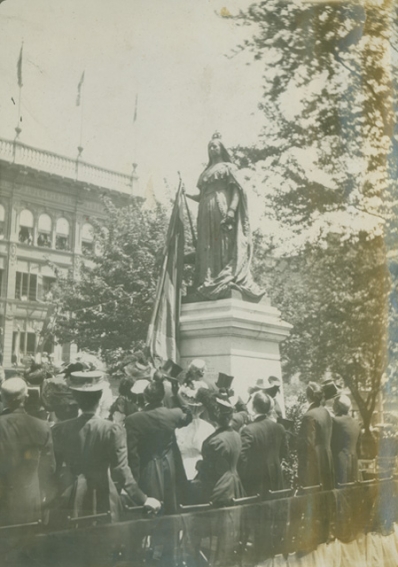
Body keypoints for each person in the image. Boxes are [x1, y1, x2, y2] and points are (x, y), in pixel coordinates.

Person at [52, 371, 160, 522]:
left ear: (75, 398)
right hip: (101, 496)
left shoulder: (59, 429)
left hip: (69, 496)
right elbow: (121, 471)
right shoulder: (112, 430)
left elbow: (54, 467)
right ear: (100, 396)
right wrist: (143, 499)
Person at [185, 132, 264, 301]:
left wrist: (231, 211)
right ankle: (208, 278)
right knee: (206, 243)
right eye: (210, 147)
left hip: (222, 204)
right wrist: (185, 194)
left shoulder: (229, 167)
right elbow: (201, 195)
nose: (212, 149)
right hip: (205, 209)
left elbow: (236, 190)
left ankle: (222, 277)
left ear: (222, 148)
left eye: (215, 146)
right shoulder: (206, 172)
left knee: (222, 241)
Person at [125, 379, 192, 514]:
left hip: (147, 467)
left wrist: (135, 483)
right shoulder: (173, 414)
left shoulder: (133, 420)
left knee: (150, 509)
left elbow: (133, 455)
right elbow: (188, 414)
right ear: (162, 396)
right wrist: (176, 393)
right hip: (170, 466)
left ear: (145, 397)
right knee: (170, 507)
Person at [0, 378, 55, 526]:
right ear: (27, 396)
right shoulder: (42, 427)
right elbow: (49, 468)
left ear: (2, 397)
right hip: (29, 500)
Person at [196, 397, 245, 506]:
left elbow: (211, 471)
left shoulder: (213, 441)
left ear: (211, 417)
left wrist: (199, 465)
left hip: (221, 488)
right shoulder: (236, 435)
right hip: (236, 484)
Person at [239, 392, 287, 497]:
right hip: (276, 478)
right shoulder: (279, 428)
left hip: (257, 482)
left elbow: (242, 459)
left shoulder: (248, 430)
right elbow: (284, 453)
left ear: (254, 407)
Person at [297, 382, 334, 490]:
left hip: (314, 463)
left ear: (308, 397)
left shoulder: (309, 416)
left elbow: (308, 444)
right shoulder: (325, 412)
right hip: (327, 459)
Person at [331, 395, 361, 485]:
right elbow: (358, 446)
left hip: (339, 463)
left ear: (337, 407)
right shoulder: (356, 423)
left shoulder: (335, 421)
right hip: (354, 463)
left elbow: (331, 444)